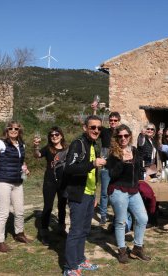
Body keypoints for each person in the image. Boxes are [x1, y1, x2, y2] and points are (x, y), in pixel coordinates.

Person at [62, 115, 106, 276]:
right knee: (76, 230)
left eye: (99, 128)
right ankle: (69, 267)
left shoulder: (94, 145)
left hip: (88, 194)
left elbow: (93, 174)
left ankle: (80, 260)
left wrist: (94, 193)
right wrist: (92, 164)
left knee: (84, 230)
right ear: (85, 128)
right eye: (92, 127)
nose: (96, 130)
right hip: (77, 193)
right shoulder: (78, 144)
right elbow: (69, 168)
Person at [106, 124, 151, 264]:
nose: (123, 138)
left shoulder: (135, 151)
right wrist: (122, 161)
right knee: (121, 221)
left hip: (133, 190)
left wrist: (145, 174)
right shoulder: (113, 154)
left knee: (143, 218)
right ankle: (122, 250)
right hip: (118, 190)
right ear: (116, 138)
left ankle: (137, 248)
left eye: (126, 135)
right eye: (120, 136)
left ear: (130, 136)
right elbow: (112, 174)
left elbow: (138, 168)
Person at [0, 121, 30, 253]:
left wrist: (24, 168)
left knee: (20, 210)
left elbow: (20, 160)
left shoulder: (21, 144)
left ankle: (19, 234)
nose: (14, 130)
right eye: (11, 128)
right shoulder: (0, 143)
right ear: (7, 130)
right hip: (3, 181)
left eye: (16, 128)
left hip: (17, 181)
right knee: (4, 212)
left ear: (19, 130)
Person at [33, 126, 68, 245]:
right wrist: (36, 146)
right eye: (52, 135)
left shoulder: (67, 149)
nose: (54, 137)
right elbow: (37, 155)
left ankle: (61, 229)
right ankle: (44, 233)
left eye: (56, 134)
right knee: (48, 206)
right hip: (49, 181)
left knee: (62, 205)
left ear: (61, 136)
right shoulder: (48, 148)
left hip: (63, 182)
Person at [98, 112, 121, 225]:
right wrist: (95, 109)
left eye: (115, 120)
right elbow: (95, 124)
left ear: (118, 121)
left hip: (117, 167)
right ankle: (103, 215)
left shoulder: (121, 133)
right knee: (104, 192)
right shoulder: (105, 131)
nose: (112, 122)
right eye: (111, 120)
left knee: (118, 192)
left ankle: (118, 214)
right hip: (105, 166)